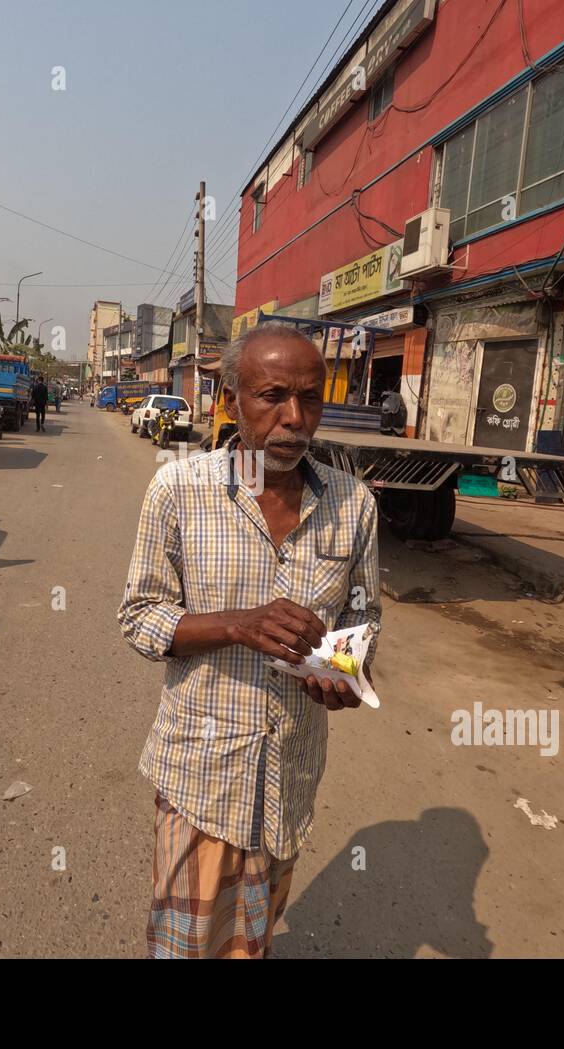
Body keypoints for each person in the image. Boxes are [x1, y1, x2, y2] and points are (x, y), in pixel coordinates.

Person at [118, 323, 381, 959]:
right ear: (231, 401)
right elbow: (140, 616)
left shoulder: (356, 503)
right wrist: (240, 624)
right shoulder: (178, 491)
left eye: (311, 398)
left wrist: (342, 672)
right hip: (200, 777)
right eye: (273, 396)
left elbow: (362, 617)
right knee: (184, 947)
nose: (295, 418)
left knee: (250, 945)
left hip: (288, 776)